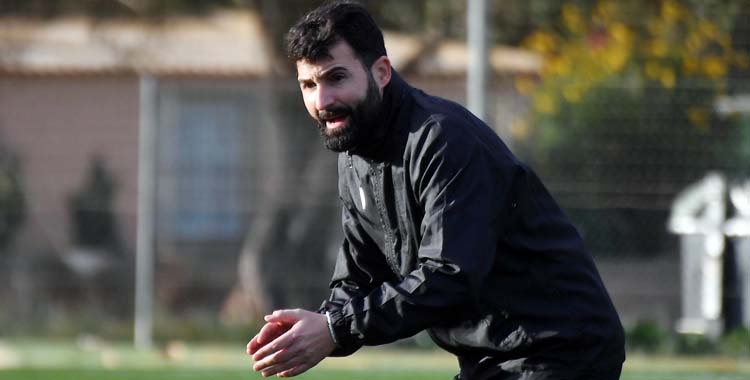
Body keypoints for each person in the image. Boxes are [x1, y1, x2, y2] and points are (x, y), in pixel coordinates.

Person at [246, 1, 626, 379]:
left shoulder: (442, 140)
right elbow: (361, 275)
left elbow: (450, 274)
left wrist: (336, 329)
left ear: (381, 72)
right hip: (495, 357)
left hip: (561, 349)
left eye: (336, 78)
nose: (322, 100)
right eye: (308, 85)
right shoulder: (354, 152)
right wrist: (319, 325)